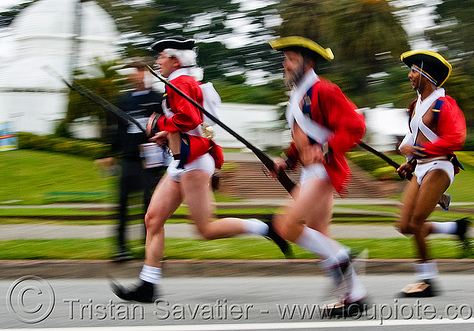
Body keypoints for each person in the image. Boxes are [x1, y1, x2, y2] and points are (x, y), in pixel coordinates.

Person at [111, 36, 289, 303]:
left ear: (175, 59)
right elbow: (189, 123)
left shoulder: (181, 82)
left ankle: (266, 227)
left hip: (192, 162)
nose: (158, 62)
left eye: (161, 57)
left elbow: (190, 119)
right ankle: (148, 284)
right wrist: (165, 132)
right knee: (153, 219)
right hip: (182, 160)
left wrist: (161, 121)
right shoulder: (182, 81)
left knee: (204, 229)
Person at [268, 36, 369, 317]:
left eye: (290, 59)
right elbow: (303, 137)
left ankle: (344, 256)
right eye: (285, 59)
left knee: (285, 225)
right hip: (311, 170)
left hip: (324, 170)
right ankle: (354, 295)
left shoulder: (323, 89)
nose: (285, 64)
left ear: (308, 62)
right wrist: (287, 160)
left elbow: (355, 126)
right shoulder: (299, 94)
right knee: (320, 235)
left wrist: (324, 149)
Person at [396, 50, 469, 297]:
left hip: (440, 167)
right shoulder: (416, 105)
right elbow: (417, 136)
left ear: (426, 75)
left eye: (414, 71)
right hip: (422, 167)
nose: (410, 75)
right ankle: (455, 229)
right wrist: (411, 162)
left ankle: (427, 281)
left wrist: (417, 150)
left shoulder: (444, 104)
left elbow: (456, 139)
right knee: (405, 226)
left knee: (416, 223)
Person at [106, 59, 166, 262]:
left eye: (141, 71)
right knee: (122, 203)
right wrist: (109, 153)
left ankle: (149, 246)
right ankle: (121, 248)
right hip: (129, 158)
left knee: (151, 206)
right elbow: (117, 129)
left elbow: (166, 125)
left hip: (152, 160)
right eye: (133, 72)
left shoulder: (157, 99)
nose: (137, 75)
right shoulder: (123, 100)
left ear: (147, 74)